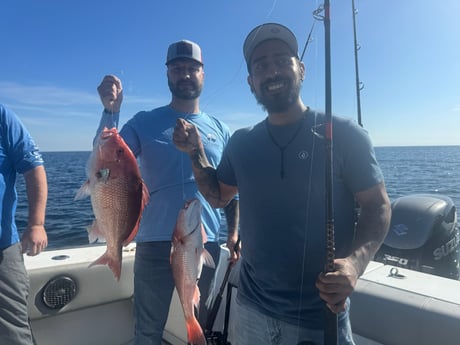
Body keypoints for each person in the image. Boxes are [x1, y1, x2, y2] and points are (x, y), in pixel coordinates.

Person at [173, 23, 392, 345]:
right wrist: (195, 151)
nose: (271, 71)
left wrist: (355, 264)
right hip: (251, 311)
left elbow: (378, 205)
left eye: (281, 60)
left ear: (300, 69)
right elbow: (218, 196)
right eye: (260, 66)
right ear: (251, 82)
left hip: (321, 315)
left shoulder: (345, 134)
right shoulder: (242, 143)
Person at [95, 39, 238, 345]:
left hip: (204, 245)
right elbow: (106, 164)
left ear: (203, 74)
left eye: (192, 68)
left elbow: (230, 189)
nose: (185, 74)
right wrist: (110, 113)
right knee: (147, 331)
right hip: (153, 243)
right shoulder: (144, 122)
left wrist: (235, 233)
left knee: (197, 323)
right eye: (177, 68)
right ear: (168, 75)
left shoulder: (220, 129)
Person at [0, 104, 48, 345]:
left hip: (3, 248)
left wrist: (36, 224)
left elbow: (34, 169)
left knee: (13, 333)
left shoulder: (2, 116)